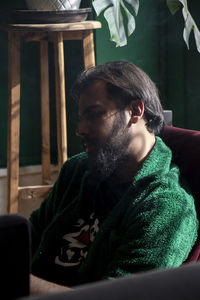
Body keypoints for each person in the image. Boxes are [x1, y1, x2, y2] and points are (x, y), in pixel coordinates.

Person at [29, 60, 198, 293]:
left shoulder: (166, 207)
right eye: (81, 117)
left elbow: (119, 298)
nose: (80, 129)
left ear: (135, 111)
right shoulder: (78, 171)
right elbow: (29, 238)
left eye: (95, 114)